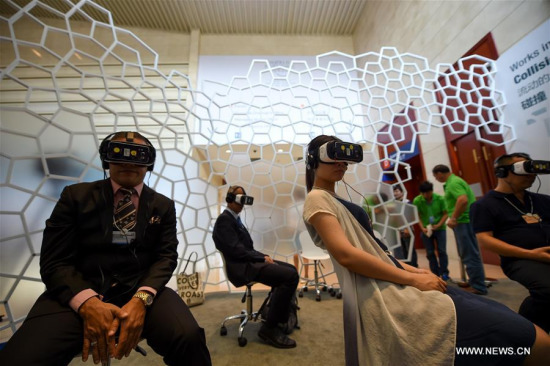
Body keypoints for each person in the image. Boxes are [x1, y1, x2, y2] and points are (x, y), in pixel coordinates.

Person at [302, 134, 550, 366]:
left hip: (393, 277)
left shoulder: (334, 199)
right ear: (313, 159)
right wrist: (412, 278)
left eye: (345, 160)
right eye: (334, 158)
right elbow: (347, 255)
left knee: (505, 317)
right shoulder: (317, 198)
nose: (342, 164)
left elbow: (380, 255)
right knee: (524, 337)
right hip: (385, 291)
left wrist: (418, 273)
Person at [0, 131, 212, 366]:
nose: (129, 162)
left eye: (138, 156)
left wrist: (141, 299)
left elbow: (166, 257)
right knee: (20, 358)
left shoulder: (162, 205)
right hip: (79, 290)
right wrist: (87, 302)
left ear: (149, 163)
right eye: (119, 153)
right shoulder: (76, 197)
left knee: (189, 337)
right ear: (105, 159)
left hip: (140, 289)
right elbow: (54, 261)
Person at [471, 152, 550, 332]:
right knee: (547, 290)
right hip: (521, 260)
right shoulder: (484, 205)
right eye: (524, 170)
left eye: (532, 169)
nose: (531, 175)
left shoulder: (542, 200)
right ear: (501, 173)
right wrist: (531, 254)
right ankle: (528, 334)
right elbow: (485, 241)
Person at [213, 185, 299, 349]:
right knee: (289, 277)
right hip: (241, 268)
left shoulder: (235, 219)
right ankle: (269, 329)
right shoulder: (225, 220)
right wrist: (261, 258)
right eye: (240, 199)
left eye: (245, 199)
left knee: (291, 270)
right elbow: (236, 250)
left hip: (248, 262)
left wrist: (263, 257)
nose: (243, 203)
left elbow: (246, 249)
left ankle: (273, 314)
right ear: (230, 199)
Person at [432, 164, 488, 295]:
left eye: (435, 176)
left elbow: (462, 200)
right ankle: (474, 281)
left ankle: (478, 286)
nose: (436, 179)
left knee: (469, 254)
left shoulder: (453, 183)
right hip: (464, 221)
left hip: (464, 221)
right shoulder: (455, 181)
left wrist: (454, 218)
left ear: (440, 173)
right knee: (467, 253)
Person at [412, 180, 450, 280]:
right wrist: (422, 227)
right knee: (430, 252)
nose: (425, 195)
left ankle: (444, 272)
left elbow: (446, 213)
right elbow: (417, 215)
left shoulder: (440, 199)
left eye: (427, 192)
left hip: (440, 228)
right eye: (423, 193)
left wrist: (439, 224)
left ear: (431, 191)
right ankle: (435, 273)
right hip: (426, 230)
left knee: (442, 250)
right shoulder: (417, 200)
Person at [393, 185, 418, 267]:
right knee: (403, 251)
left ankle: (414, 267)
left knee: (410, 250)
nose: (395, 193)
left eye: (396, 191)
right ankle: (408, 268)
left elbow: (411, 217)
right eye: (393, 191)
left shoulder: (407, 202)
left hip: (408, 229)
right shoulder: (394, 203)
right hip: (398, 230)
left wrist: (407, 228)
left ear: (402, 192)